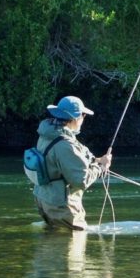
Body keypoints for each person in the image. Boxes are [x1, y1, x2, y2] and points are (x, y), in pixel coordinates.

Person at [32, 95, 113, 231]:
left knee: (50, 246)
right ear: (75, 118)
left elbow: (69, 156)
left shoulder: (48, 134)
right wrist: (101, 168)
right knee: (74, 247)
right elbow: (81, 180)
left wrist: (97, 160)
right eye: (83, 115)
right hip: (62, 206)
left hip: (45, 201)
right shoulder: (65, 144)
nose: (83, 119)